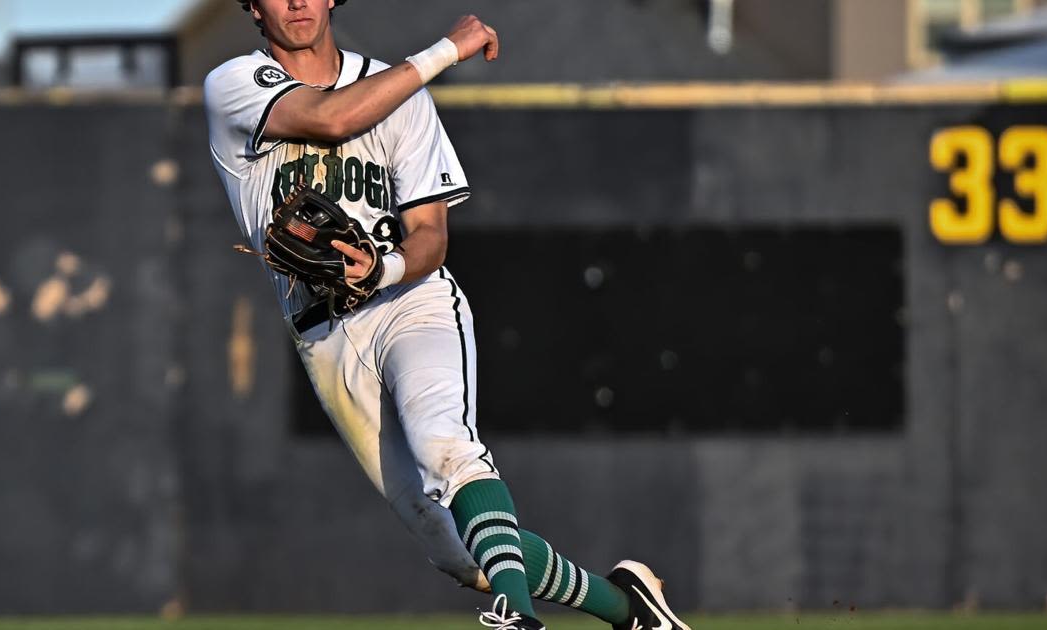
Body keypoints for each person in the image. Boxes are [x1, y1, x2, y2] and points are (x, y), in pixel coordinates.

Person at [204, 1, 691, 628]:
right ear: (251, 5)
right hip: (323, 332)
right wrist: (443, 53)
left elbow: (430, 235)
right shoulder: (234, 83)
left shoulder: (400, 92)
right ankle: (630, 610)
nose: (296, 0)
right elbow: (330, 119)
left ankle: (515, 618)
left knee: (447, 448)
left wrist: (383, 268)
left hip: (412, 300)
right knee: (460, 552)